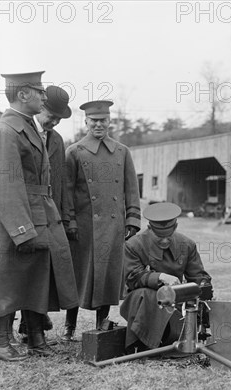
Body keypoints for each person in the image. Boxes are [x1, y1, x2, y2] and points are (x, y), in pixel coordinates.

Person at [0, 72, 78, 361]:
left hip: (37, 212)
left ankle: (36, 338)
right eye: (39, 91)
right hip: (16, 217)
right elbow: (6, 187)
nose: (44, 97)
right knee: (7, 279)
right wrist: (21, 230)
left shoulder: (28, 128)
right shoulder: (6, 132)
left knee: (36, 276)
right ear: (23, 95)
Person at [62, 100, 141, 340]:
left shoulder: (121, 151)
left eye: (103, 120)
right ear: (86, 122)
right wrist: (70, 221)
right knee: (79, 275)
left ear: (109, 121)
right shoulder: (74, 151)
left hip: (113, 224)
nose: (99, 124)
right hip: (84, 227)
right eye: (94, 120)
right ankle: (69, 325)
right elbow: (66, 191)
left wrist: (132, 219)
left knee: (108, 274)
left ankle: (102, 321)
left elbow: (131, 187)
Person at [16, 85, 74, 345]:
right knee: (29, 273)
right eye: (51, 115)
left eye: (59, 119)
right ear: (40, 107)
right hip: (27, 213)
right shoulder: (21, 133)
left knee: (49, 272)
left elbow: (61, 182)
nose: (54, 121)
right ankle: (32, 329)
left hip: (50, 215)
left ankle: (36, 323)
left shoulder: (58, 140)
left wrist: (65, 217)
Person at [120, 202, 211, 352]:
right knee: (146, 295)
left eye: (168, 236)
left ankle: (177, 338)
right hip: (141, 302)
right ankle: (143, 344)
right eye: (159, 237)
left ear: (175, 227)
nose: (164, 240)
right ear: (149, 229)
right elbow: (132, 277)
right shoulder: (133, 245)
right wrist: (160, 277)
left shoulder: (187, 244)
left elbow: (198, 277)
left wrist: (203, 289)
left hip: (176, 301)